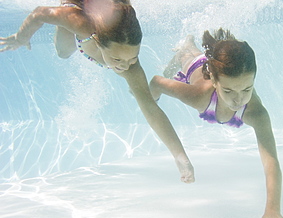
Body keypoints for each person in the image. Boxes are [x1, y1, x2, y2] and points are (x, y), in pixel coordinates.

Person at [0, 0, 195, 183]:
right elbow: (39, 13)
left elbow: (151, 110)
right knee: (63, 52)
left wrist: (181, 157)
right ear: (98, 41)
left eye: (133, 58)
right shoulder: (80, 23)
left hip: (109, 12)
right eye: (117, 60)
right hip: (79, 5)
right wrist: (20, 38)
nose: (125, 66)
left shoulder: (132, 70)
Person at [150, 28, 283, 218]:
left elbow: (271, 162)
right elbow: (156, 82)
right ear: (216, 83)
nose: (238, 100)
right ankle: (187, 46)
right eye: (229, 91)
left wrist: (273, 209)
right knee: (185, 57)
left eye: (247, 89)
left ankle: (192, 47)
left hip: (216, 71)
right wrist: (152, 102)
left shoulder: (257, 113)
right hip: (196, 68)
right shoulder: (199, 96)